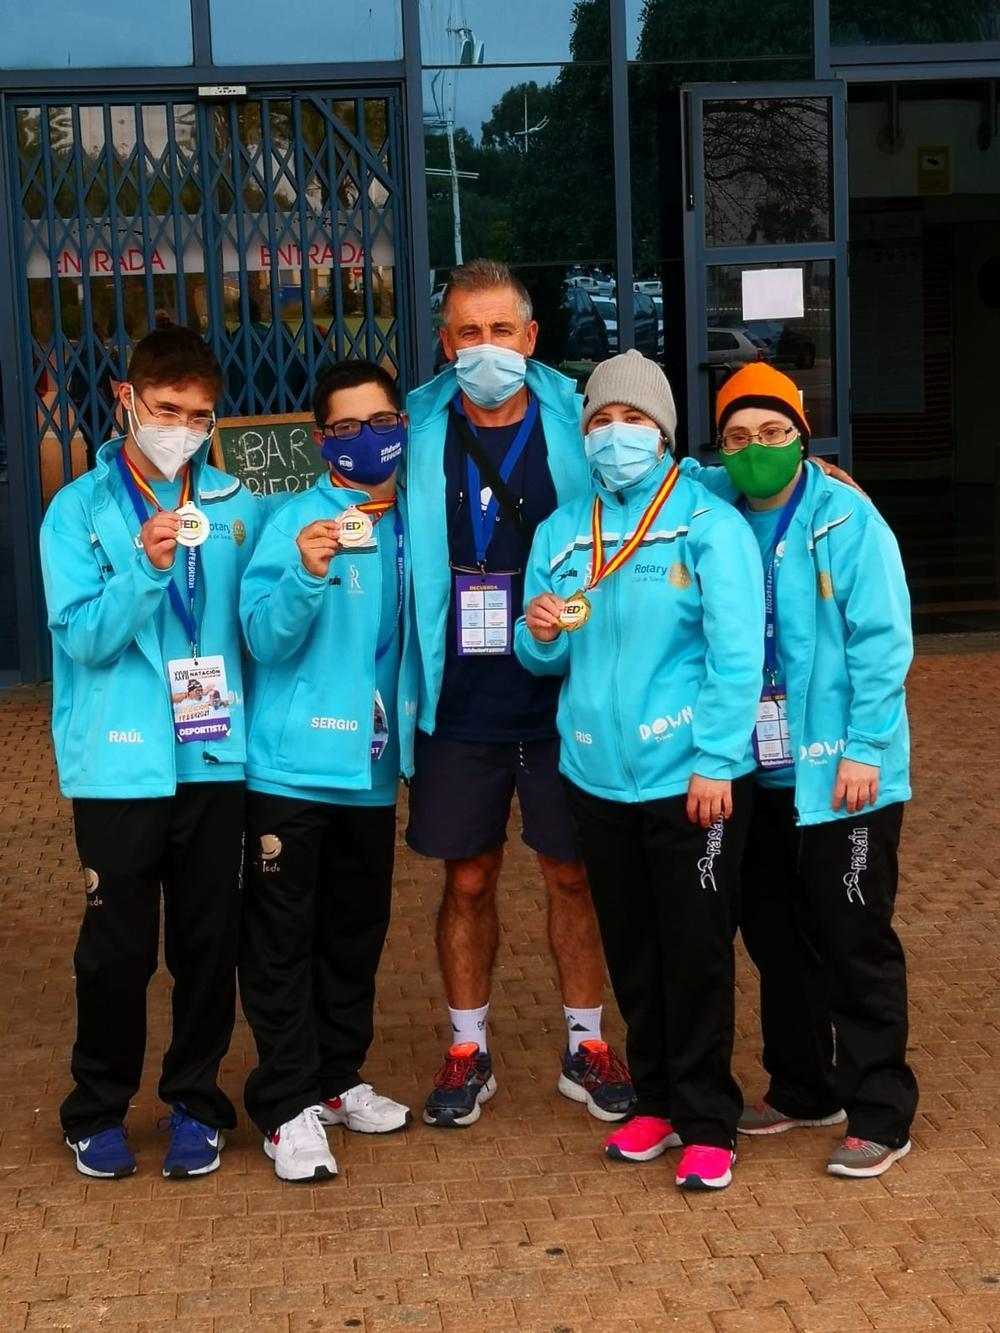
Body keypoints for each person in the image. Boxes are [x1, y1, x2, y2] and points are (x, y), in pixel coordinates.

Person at [516, 350, 765, 1191]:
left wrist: (717, 760)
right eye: (599, 421)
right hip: (594, 776)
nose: (615, 435)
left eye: (632, 421)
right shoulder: (561, 529)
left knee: (694, 949)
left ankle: (709, 1119)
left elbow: (737, 657)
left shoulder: (707, 524)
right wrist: (541, 629)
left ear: (663, 433)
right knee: (632, 947)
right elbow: (538, 654)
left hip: (687, 779)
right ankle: (655, 1102)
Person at [404, 259, 633, 1129]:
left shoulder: (581, 424)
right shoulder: (416, 428)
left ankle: (586, 1042)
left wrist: (810, 473)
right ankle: (468, 1050)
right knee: (468, 878)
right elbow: (334, 488)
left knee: (573, 875)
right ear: (446, 339)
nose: (486, 348)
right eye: (469, 332)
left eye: (503, 331)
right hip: (457, 696)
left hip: (566, 690)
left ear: (531, 338)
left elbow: (663, 486)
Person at [39, 326, 259, 1180]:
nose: (181, 428)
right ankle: (95, 1108)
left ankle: (195, 1102)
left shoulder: (239, 507)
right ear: (126, 400)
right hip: (117, 765)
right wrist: (144, 565)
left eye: (199, 415)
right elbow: (84, 640)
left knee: (208, 944)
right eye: (165, 409)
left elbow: (256, 627)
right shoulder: (79, 511)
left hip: (214, 759)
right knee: (116, 951)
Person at [708, 363, 918, 1179]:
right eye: (736, 437)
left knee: (853, 936)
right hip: (760, 771)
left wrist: (866, 747)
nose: (755, 450)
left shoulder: (846, 515)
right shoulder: (714, 506)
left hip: (844, 775)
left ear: (803, 436)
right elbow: (666, 469)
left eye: (772, 433)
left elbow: (882, 641)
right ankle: (803, 1085)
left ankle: (880, 1110)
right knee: (774, 935)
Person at [238, 359, 417, 1182]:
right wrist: (307, 576)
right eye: (345, 428)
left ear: (403, 426)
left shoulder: (415, 523)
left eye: (380, 422)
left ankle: (339, 1079)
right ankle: (284, 1106)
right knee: (281, 940)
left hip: (371, 771)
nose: (366, 440)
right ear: (321, 441)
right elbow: (264, 640)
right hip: (291, 771)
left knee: (355, 932)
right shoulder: (293, 520)